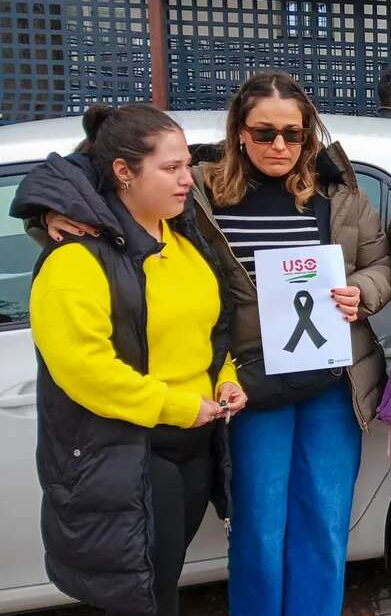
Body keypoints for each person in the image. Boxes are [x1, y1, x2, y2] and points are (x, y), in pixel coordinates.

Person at [14, 104, 246, 616]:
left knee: (164, 581)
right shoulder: (76, 257)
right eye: (171, 168)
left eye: (187, 165)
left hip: (197, 439)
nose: (189, 180)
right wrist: (176, 406)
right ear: (123, 172)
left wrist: (225, 379)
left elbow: (210, 333)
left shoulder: (185, 239)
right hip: (135, 446)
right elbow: (83, 368)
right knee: (147, 594)